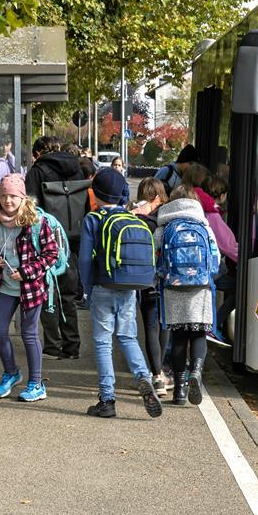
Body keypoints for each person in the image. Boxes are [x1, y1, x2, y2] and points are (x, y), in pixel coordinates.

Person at [79, 167, 162, 419]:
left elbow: (84, 259)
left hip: (103, 285)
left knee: (103, 342)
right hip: (129, 287)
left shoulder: (93, 219)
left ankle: (107, 399)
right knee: (127, 337)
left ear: (96, 193)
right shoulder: (131, 218)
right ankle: (143, 378)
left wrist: (86, 288)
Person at [0, 173, 59, 402]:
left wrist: (26, 272)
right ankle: (11, 372)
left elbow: (51, 253)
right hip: (6, 285)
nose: (8, 201)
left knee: (29, 333)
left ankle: (36, 383)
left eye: (13, 196)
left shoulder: (37, 222)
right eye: (4, 196)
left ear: (23, 198)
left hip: (31, 288)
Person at [154, 184, 219, 406]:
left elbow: (156, 258)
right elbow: (215, 260)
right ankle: (196, 373)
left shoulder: (164, 227)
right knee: (199, 333)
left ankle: (179, 391)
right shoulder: (204, 227)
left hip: (173, 288)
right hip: (200, 288)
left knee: (179, 336)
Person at [26, 135, 86, 360]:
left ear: (38, 152)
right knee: (68, 294)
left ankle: (53, 345)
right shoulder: (76, 169)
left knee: (47, 292)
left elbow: (30, 208)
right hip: (71, 238)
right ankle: (72, 346)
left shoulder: (37, 171)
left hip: (46, 239)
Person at [131, 177, 171, 395]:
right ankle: (161, 374)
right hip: (167, 279)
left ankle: (156, 376)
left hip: (144, 278)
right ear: (159, 196)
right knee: (163, 324)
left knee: (149, 326)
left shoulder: (133, 217)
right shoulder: (167, 217)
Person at [198, 175, 238, 346]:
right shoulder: (212, 215)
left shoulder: (200, 208)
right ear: (222, 195)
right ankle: (213, 326)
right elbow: (228, 246)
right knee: (239, 288)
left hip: (197, 267)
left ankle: (213, 326)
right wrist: (248, 259)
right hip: (210, 268)